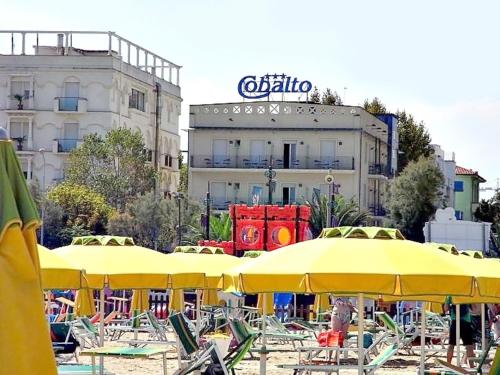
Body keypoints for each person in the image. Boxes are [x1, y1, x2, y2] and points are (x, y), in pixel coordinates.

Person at [444, 297, 475, 367]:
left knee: (451, 345)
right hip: (466, 322)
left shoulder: (450, 295)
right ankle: (472, 367)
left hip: (455, 321)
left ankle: (448, 365)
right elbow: (474, 309)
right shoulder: (468, 292)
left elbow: (446, 309)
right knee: (469, 346)